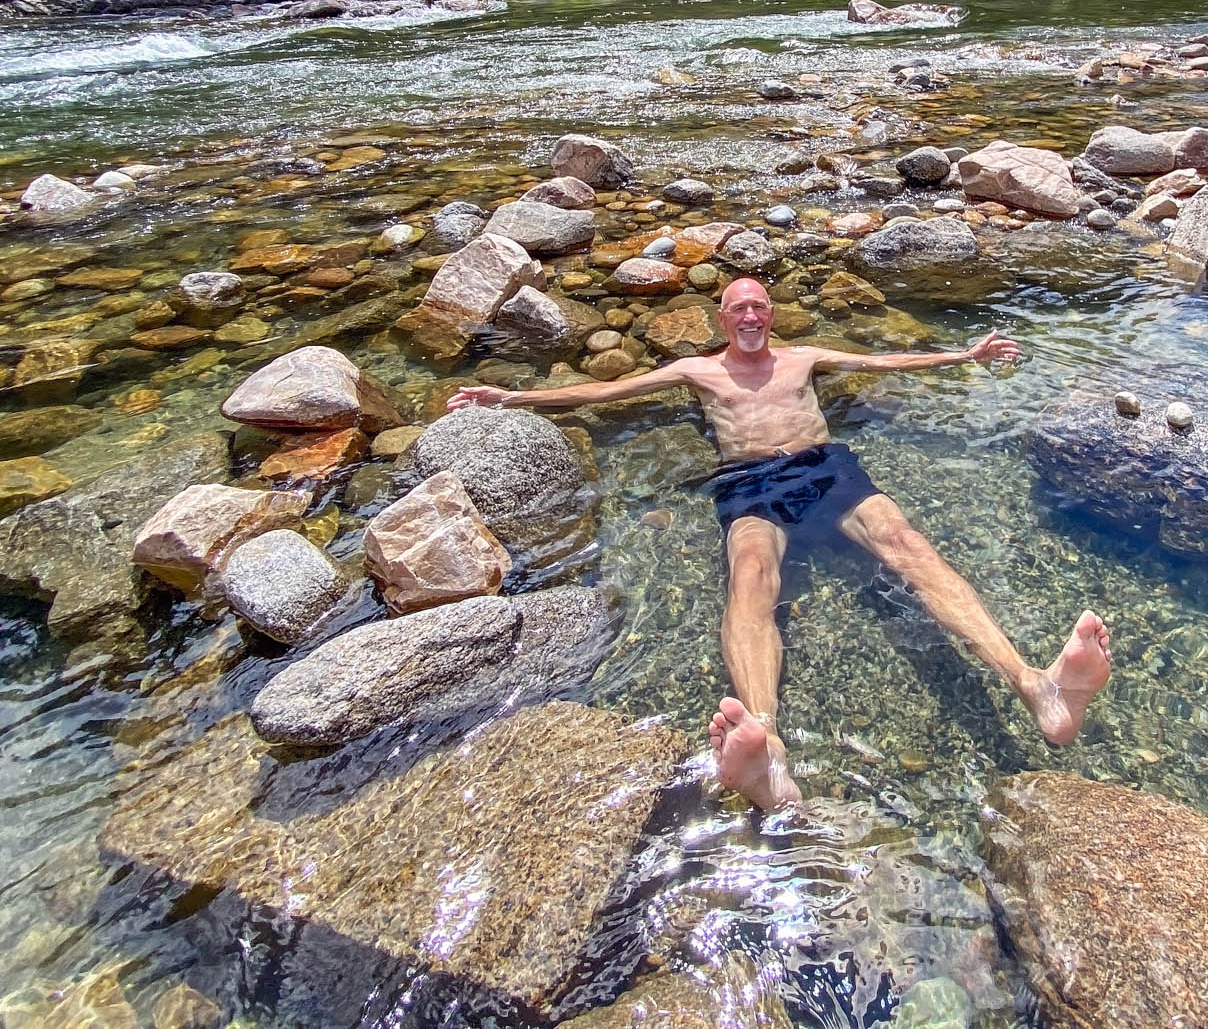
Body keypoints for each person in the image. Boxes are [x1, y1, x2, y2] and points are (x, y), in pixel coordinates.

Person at [446, 275, 1111, 811]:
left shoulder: (803, 358)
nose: (751, 314)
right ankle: (766, 749)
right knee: (751, 575)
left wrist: (965, 356)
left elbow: (884, 360)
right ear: (721, 319)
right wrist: (512, 396)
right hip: (748, 483)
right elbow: (606, 389)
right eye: (739, 307)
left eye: (760, 305)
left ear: (771, 314)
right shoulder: (699, 370)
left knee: (906, 543)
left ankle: (1036, 687)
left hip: (825, 470)